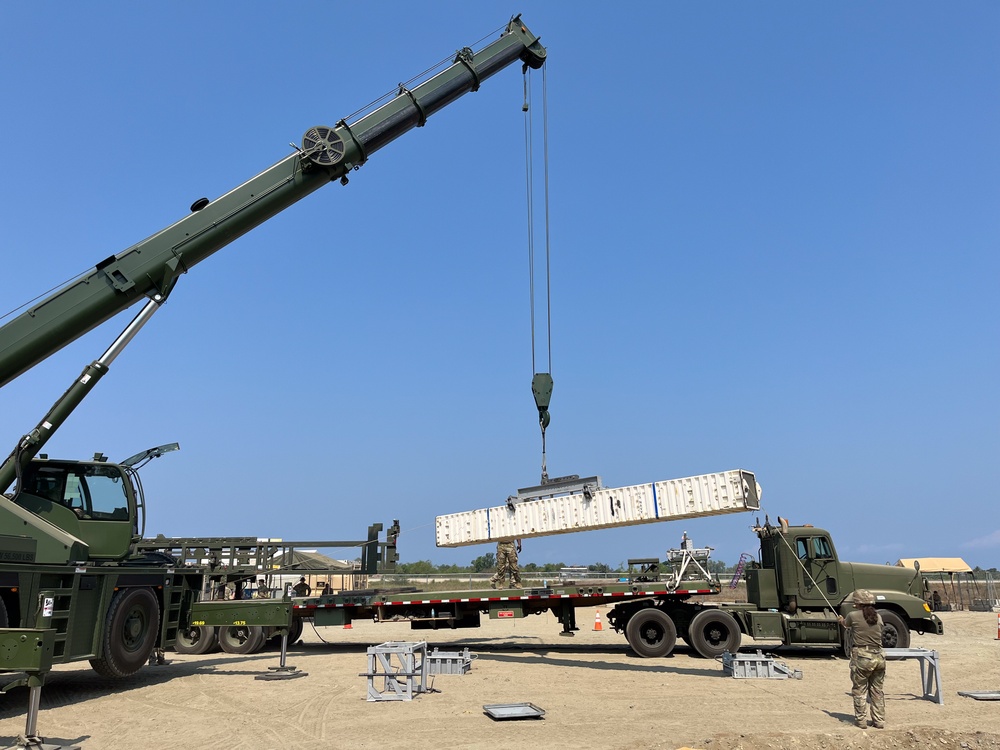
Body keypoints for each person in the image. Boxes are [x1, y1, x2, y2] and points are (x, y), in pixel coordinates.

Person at [838, 589, 885, 729]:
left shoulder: (853, 615)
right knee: (877, 691)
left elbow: (846, 624)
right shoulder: (878, 616)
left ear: (857, 603)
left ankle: (861, 721)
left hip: (862, 657)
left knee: (859, 690)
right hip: (879, 657)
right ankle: (879, 721)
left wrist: (840, 620)